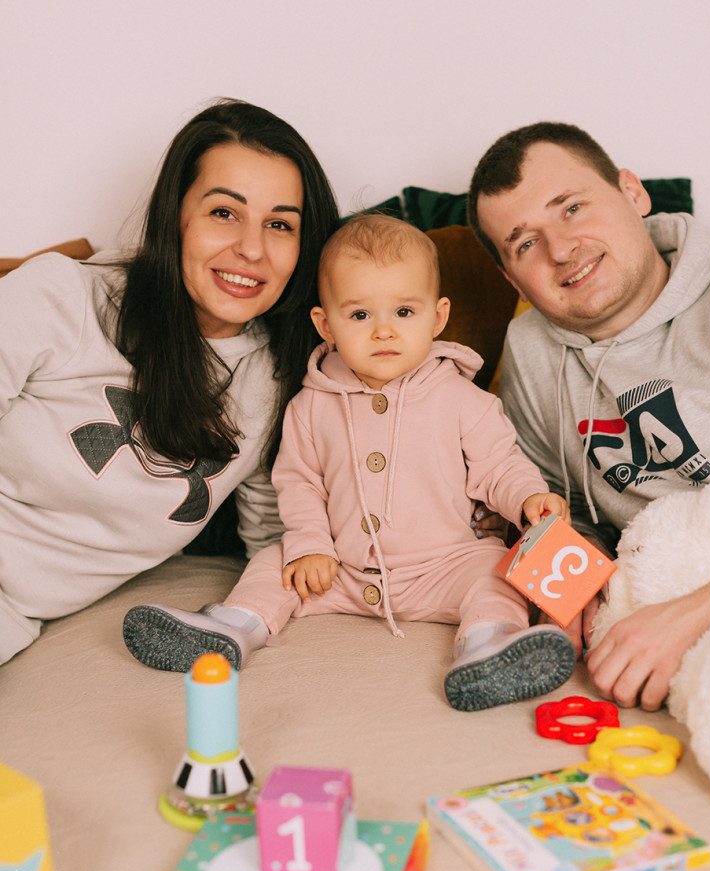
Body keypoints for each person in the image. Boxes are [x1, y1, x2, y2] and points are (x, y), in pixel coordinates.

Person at [123, 213, 577, 712]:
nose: (383, 331)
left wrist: (529, 498)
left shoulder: (464, 399)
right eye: (360, 315)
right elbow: (299, 484)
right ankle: (234, 626)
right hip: (341, 571)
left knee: (495, 568)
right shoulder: (310, 405)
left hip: (443, 566)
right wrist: (311, 547)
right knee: (274, 561)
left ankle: (488, 643)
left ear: (437, 317)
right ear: (326, 325)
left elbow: (500, 465)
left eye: (404, 312)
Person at [0, 98, 339, 665]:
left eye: (280, 224)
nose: (251, 249)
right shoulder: (59, 296)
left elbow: (277, 539)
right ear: (174, 216)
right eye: (224, 212)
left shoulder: (280, 382)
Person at [466, 121, 710, 711]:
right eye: (525, 243)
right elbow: (557, 507)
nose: (561, 250)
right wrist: (566, 591)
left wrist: (690, 617)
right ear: (512, 280)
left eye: (571, 208)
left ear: (632, 193)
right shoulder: (532, 352)